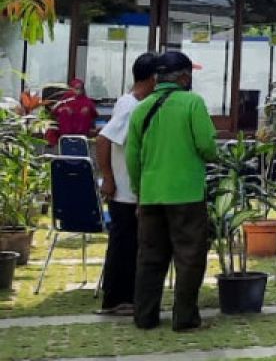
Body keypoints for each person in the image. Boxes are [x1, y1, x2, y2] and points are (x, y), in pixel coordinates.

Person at [125, 51, 216, 332]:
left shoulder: (141, 108)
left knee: (150, 257)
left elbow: (132, 157)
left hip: (151, 194)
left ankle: (145, 316)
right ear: (185, 77)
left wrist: (140, 192)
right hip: (186, 194)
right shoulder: (193, 103)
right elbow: (207, 147)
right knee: (189, 257)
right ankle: (185, 317)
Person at [94, 52, 158, 317]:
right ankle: (119, 299)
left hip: (127, 189)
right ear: (153, 78)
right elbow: (103, 139)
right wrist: (108, 177)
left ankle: (123, 297)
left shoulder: (130, 102)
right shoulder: (132, 107)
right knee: (125, 245)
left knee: (127, 244)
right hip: (124, 191)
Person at [44, 77, 98, 150]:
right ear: (71, 88)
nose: (79, 91)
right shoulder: (65, 99)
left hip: (81, 134)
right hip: (65, 134)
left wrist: (87, 111)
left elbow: (94, 114)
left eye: (80, 88)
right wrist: (64, 109)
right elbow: (54, 111)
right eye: (76, 88)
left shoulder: (86, 101)